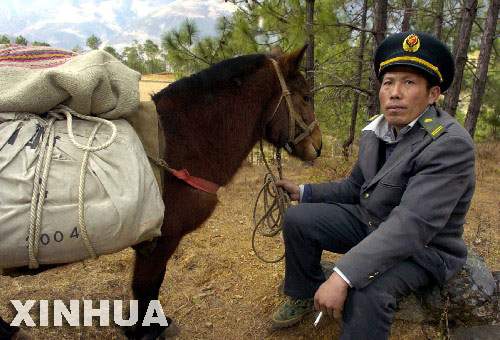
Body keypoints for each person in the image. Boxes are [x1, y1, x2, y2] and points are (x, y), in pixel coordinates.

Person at [270, 31, 476, 339]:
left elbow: (411, 226)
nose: (395, 93)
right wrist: (304, 192)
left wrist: (342, 275)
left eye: (409, 83)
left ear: (433, 94)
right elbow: (355, 187)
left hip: (422, 249)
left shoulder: (449, 144)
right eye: (389, 82)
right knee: (298, 219)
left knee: (365, 288)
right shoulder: (377, 131)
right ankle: (303, 293)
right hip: (372, 223)